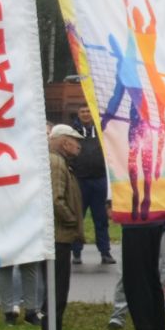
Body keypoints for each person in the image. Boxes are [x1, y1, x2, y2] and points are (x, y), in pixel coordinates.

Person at [46, 124, 82, 330]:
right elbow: (56, 199)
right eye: (75, 141)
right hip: (59, 235)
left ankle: (53, 329)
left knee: (58, 284)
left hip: (60, 235)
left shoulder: (59, 162)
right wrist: (71, 219)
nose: (79, 146)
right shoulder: (57, 163)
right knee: (57, 286)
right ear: (64, 141)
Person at [70, 104, 112, 265]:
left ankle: (105, 252)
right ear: (78, 113)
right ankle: (76, 252)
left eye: (88, 111)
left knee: (101, 218)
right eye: (82, 111)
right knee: (77, 217)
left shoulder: (101, 130)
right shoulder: (73, 132)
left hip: (99, 180)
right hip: (80, 181)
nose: (86, 114)